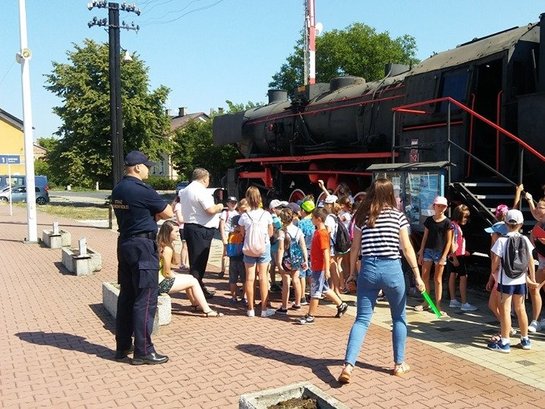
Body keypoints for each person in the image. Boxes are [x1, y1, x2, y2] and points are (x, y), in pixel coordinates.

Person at [338, 178, 425, 384]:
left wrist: (351, 274)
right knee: (399, 318)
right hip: (392, 269)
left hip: (368, 269)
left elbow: (355, 249)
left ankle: (348, 365)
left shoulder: (362, 218)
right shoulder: (398, 217)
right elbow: (407, 248)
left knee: (362, 319)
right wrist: (417, 275)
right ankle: (398, 363)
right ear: (389, 195)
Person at [111, 150, 173, 365]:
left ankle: (122, 345)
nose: (149, 169)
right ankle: (144, 350)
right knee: (146, 298)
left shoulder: (118, 188)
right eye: (147, 165)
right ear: (137, 167)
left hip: (125, 243)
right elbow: (168, 213)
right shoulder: (141, 190)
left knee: (127, 296)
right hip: (143, 246)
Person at [487, 209, 537, 353]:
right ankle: (525, 339)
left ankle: (505, 342)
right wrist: (531, 279)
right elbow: (530, 261)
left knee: (505, 310)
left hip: (506, 280)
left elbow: (495, 261)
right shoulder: (525, 239)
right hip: (520, 280)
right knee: (521, 309)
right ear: (521, 224)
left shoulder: (501, 241)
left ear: (506, 223)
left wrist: (494, 271)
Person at [157, 220, 223, 317]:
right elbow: (167, 273)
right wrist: (177, 277)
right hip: (160, 284)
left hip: (159, 280)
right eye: (175, 232)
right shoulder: (167, 249)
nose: (178, 234)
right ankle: (207, 310)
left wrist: (180, 276)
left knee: (190, 278)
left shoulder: (164, 245)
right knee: (193, 281)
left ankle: (195, 304)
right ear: (168, 233)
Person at [180, 168, 224, 299]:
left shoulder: (185, 190)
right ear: (204, 178)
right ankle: (196, 292)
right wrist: (220, 206)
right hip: (201, 229)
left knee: (195, 261)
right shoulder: (201, 190)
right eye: (208, 179)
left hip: (190, 226)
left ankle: (198, 287)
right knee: (199, 262)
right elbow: (210, 210)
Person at [298, 208, 348, 325]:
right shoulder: (319, 232)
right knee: (324, 289)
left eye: (313, 218)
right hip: (316, 265)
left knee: (315, 291)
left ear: (318, 219)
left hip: (319, 267)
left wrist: (326, 269)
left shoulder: (322, 233)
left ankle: (311, 315)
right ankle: (341, 305)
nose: (311, 220)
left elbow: (326, 252)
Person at [238, 186, 275, 318]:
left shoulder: (244, 216)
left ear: (247, 199)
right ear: (259, 198)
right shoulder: (266, 215)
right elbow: (271, 232)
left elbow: (242, 233)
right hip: (263, 247)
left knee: (250, 278)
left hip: (248, 248)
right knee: (263, 277)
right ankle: (264, 310)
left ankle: (250, 309)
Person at [416, 196, 452, 315]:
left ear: (446, 208)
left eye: (443, 206)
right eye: (438, 206)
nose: (440, 208)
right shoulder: (429, 220)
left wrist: (444, 256)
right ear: (434, 206)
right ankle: (426, 302)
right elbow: (425, 237)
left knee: (438, 279)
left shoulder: (447, 222)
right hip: (428, 250)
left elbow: (449, 241)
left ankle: (438, 305)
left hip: (440, 252)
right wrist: (421, 251)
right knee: (424, 276)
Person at [276, 208, 308, 313]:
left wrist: (279, 262)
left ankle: (284, 306)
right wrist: (306, 259)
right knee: (296, 279)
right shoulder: (298, 230)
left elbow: (281, 248)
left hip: (286, 259)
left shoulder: (282, 231)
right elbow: (303, 246)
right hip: (297, 258)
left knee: (286, 282)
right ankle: (298, 303)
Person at [448, 205, 478, 312]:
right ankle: (464, 303)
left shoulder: (452, 225)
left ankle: (453, 300)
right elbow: (453, 243)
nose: (466, 219)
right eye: (464, 217)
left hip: (454, 255)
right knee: (463, 277)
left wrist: (462, 251)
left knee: (452, 275)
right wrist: (456, 257)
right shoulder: (455, 227)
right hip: (457, 256)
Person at [524, 192, 545, 333]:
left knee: (535, 288)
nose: (537, 209)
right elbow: (534, 213)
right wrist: (530, 200)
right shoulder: (541, 221)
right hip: (542, 260)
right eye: (537, 206)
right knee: (536, 288)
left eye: (541, 207)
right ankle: (538, 320)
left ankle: (536, 321)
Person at [298, 200, 316, 305]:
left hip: (303, 250)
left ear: (303, 210)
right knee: (310, 274)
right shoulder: (314, 222)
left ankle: (302, 296)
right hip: (312, 251)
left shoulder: (301, 223)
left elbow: (299, 238)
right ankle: (312, 294)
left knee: (302, 274)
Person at [226, 215, 246, 304]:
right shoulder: (243, 235)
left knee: (232, 279)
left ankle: (233, 298)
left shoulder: (231, 234)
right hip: (242, 258)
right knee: (244, 279)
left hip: (232, 259)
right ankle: (244, 297)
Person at [219, 196, 239, 278]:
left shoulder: (237, 213)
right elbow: (222, 225)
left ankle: (233, 270)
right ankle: (223, 270)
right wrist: (223, 236)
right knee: (226, 253)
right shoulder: (225, 213)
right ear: (227, 203)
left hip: (235, 235)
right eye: (231, 202)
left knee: (234, 252)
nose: (233, 204)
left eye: (235, 203)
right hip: (227, 234)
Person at [172, 195, 188, 270]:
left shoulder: (187, 204)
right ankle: (183, 263)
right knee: (185, 245)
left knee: (188, 246)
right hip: (183, 227)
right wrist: (190, 218)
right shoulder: (178, 205)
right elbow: (180, 220)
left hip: (188, 226)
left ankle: (186, 262)